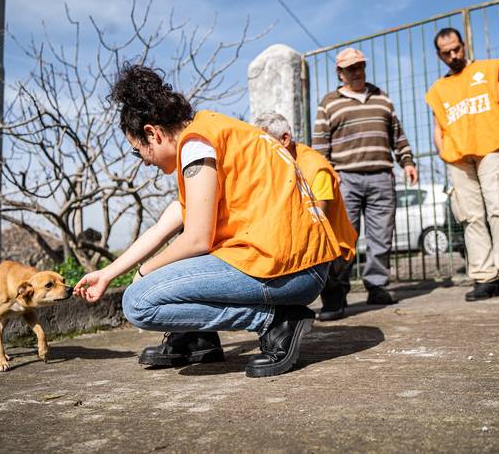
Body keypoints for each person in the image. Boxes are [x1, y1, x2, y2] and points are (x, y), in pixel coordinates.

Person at [74, 65, 340, 378]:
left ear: (152, 133)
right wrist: (108, 273)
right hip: (304, 264)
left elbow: (198, 239)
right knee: (165, 270)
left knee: (139, 302)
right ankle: (196, 336)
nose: (144, 162)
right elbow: (165, 227)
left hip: (290, 270)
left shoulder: (196, 143)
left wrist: (144, 273)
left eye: (138, 152)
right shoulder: (211, 130)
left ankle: (275, 321)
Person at [425, 28, 499, 301]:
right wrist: (443, 150)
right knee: (471, 218)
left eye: (456, 49)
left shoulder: (491, 68)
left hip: (491, 148)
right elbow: (438, 125)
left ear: (464, 45)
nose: (453, 55)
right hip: (458, 157)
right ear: (439, 55)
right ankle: (484, 277)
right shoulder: (438, 89)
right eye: (446, 53)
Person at [313, 47, 418, 306]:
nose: (357, 72)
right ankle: (336, 292)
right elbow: (319, 146)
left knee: (381, 236)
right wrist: (326, 176)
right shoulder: (328, 102)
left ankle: (377, 286)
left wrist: (407, 161)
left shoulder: (382, 97)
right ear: (340, 73)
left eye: (360, 66)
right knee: (343, 238)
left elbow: (397, 133)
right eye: (351, 68)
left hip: (382, 175)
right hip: (345, 179)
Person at [253, 112, 358, 321]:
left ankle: (334, 296)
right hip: (300, 230)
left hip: (332, 239)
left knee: (315, 252)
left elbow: (319, 218)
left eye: (266, 144)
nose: (262, 152)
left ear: (285, 139)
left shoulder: (315, 166)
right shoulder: (275, 165)